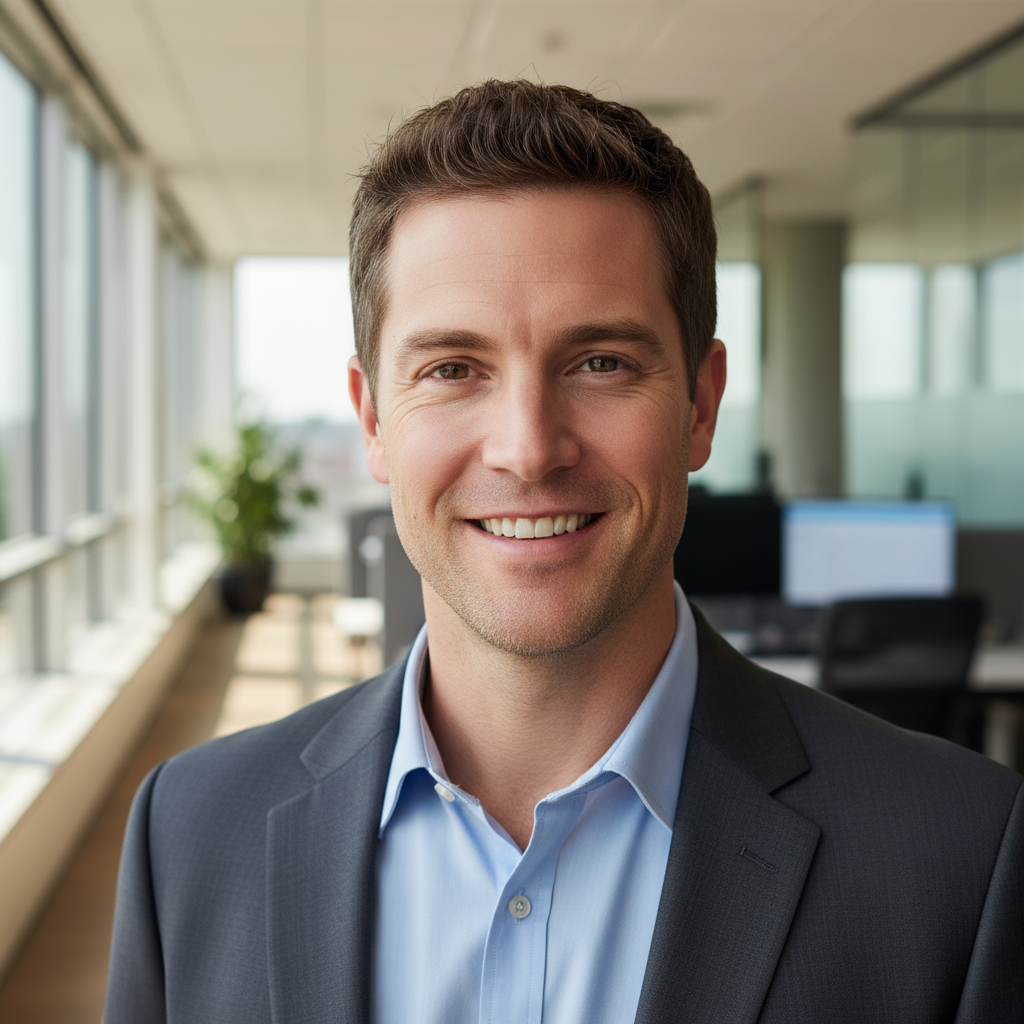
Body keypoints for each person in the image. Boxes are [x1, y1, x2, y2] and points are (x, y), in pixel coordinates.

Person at [105, 81, 1023, 1024]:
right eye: (453, 369)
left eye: (601, 364)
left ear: (701, 407)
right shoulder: (188, 833)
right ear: (373, 418)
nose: (529, 446)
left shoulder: (961, 858)